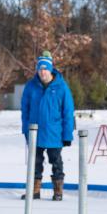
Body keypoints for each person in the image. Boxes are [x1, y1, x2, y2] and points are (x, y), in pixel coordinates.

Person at [20, 51, 76, 201]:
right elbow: (25, 110)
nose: (42, 72)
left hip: (54, 133)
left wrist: (67, 135)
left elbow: (68, 112)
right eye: (40, 69)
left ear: (50, 69)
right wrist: (26, 130)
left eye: (45, 68)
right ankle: (35, 190)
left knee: (56, 162)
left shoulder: (61, 87)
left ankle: (58, 191)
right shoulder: (31, 86)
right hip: (35, 132)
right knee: (35, 163)